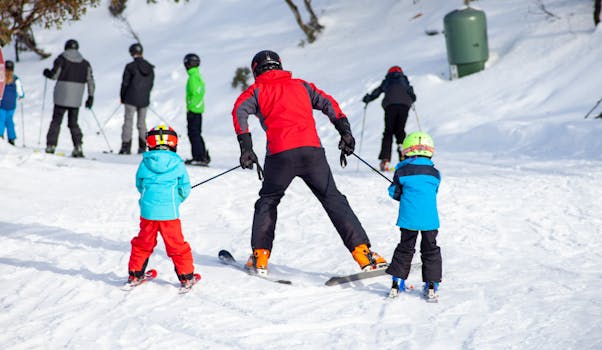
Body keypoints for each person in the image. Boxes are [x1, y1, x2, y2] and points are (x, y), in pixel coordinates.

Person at [231, 49, 387, 276]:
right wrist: (345, 132)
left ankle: (260, 257)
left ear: (256, 71)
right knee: (333, 199)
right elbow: (329, 104)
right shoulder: (301, 85)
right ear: (279, 65)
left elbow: (239, 112)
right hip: (312, 152)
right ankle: (364, 253)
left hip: (280, 155)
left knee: (268, 201)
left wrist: (246, 148)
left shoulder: (255, 91)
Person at [127, 124, 198, 289]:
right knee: (177, 245)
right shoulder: (177, 164)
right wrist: (175, 200)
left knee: (143, 243)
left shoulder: (145, 163)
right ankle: (187, 277)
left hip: (148, 213)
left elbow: (139, 184)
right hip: (169, 215)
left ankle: (135, 274)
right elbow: (185, 189)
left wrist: (149, 199)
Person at [385, 131, 442, 301]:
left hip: (408, 219)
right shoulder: (435, 173)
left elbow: (394, 192)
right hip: (430, 220)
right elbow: (434, 190)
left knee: (405, 247)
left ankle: (397, 281)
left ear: (407, 150)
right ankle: (431, 284)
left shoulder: (402, 172)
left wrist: (402, 192)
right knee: (430, 249)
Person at [43, 39, 95, 157]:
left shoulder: (61, 59)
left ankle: (51, 145)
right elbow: (90, 81)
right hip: (76, 98)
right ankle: (78, 146)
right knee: (73, 123)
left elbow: (54, 75)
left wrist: (47, 73)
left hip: (61, 96)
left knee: (56, 121)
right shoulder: (85, 63)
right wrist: (90, 96)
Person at [362, 66, 416, 171]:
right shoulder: (405, 81)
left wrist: (368, 98)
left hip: (390, 106)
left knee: (388, 132)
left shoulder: (388, 80)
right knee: (400, 131)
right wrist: (412, 99)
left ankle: (385, 161)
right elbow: (412, 95)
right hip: (404, 106)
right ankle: (404, 159)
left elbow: (377, 92)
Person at [119, 43, 155, 155]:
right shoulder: (149, 67)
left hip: (130, 98)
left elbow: (125, 83)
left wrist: (122, 96)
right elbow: (151, 84)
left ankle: (126, 147)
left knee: (128, 122)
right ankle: (143, 146)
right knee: (142, 123)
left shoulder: (130, 66)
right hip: (144, 99)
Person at [183, 53, 210, 165]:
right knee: (196, 133)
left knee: (193, 134)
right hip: (197, 110)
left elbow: (195, 93)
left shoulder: (193, 77)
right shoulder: (197, 75)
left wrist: (191, 106)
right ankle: (201, 156)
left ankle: (199, 157)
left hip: (194, 110)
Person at [0, 60, 25, 145]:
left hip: (2, 104)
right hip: (11, 105)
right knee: (9, 121)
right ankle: (11, 138)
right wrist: (21, 96)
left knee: (1, 120)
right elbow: (20, 92)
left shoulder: (1, 78)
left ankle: (0, 135)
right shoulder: (16, 79)